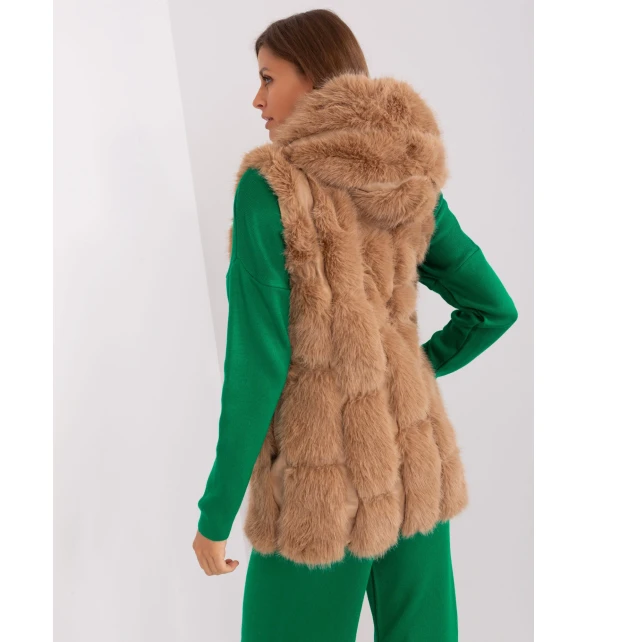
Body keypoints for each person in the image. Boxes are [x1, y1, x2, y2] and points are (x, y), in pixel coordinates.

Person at [193, 9, 518, 642]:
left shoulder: (271, 187)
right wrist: (407, 371)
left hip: (321, 487)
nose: (257, 100)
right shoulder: (410, 177)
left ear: (313, 79)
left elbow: (257, 365)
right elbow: (492, 307)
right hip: (415, 470)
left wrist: (216, 513)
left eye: (268, 78)